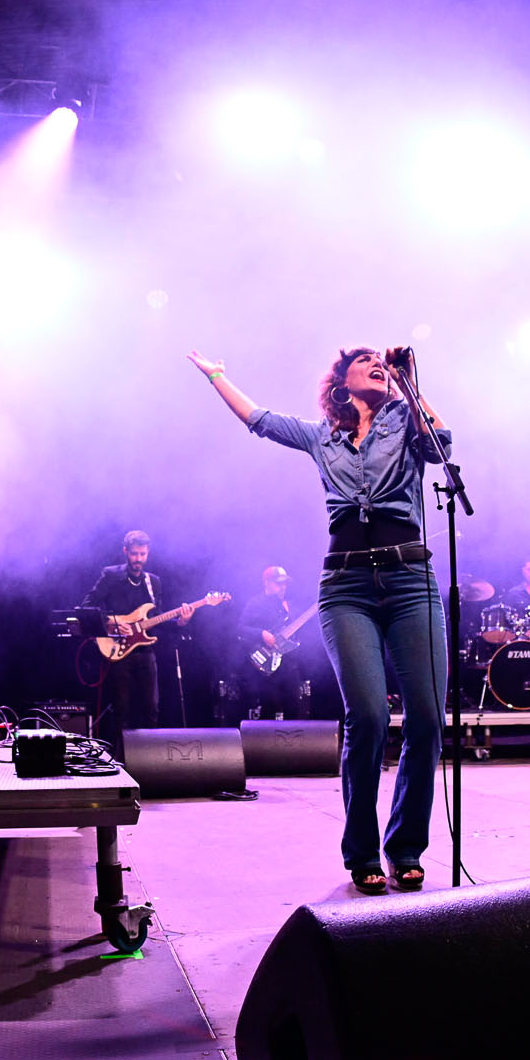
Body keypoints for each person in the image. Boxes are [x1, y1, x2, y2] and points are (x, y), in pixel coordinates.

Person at [188, 344, 450, 896]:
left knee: (427, 719)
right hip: (346, 587)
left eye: (382, 362)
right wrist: (217, 377)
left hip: (410, 581)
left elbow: (440, 447)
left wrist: (409, 383)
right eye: (365, 361)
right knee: (369, 717)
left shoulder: (404, 420)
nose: (377, 364)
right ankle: (363, 852)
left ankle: (405, 847)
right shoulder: (320, 437)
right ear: (341, 383)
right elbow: (259, 419)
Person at [84, 530, 189, 755]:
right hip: (119, 650)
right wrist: (111, 622)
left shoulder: (153, 582)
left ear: (148, 553)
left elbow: (156, 619)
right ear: (125, 552)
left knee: (151, 709)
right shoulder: (111, 576)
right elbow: (87, 606)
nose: (138, 559)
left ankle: (149, 760)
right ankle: (120, 760)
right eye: (134, 554)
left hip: (146, 652)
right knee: (122, 711)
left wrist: (180, 622)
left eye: (142, 554)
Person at [236, 565, 313, 720]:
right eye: (278, 583)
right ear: (266, 582)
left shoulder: (289, 605)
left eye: (284, 583)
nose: (282, 587)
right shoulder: (255, 603)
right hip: (266, 664)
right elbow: (241, 628)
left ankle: (293, 735)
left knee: (293, 706)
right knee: (268, 706)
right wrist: (262, 634)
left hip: (289, 663)